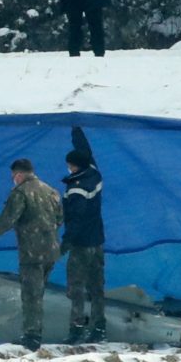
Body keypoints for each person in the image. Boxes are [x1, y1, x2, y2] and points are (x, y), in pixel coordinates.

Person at [0, 157, 63, 349]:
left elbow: (6, 221)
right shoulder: (51, 191)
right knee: (39, 293)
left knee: (31, 295)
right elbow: (60, 219)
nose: (13, 180)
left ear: (19, 175)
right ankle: (37, 331)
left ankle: (32, 336)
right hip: (51, 251)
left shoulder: (20, 193)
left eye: (13, 176)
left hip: (31, 252)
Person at [61, 125, 106, 343]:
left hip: (80, 244)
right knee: (97, 287)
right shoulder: (94, 174)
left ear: (73, 166)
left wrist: (66, 242)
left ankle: (76, 329)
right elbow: (86, 151)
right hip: (97, 241)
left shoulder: (77, 189)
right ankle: (99, 327)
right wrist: (76, 131)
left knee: (76, 288)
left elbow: (76, 219)